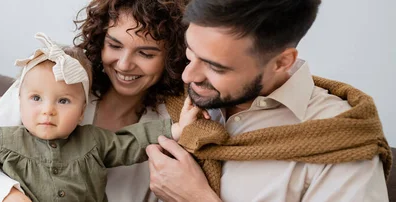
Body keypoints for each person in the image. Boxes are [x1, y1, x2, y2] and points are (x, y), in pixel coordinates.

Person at [0, 33, 202, 202]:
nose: (47, 109)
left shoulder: (94, 140)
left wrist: (176, 128)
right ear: (20, 99)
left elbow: (133, 141)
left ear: (83, 106)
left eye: (62, 101)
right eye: (35, 99)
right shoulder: (3, 139)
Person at [0, 0, 191, 202]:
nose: (124, 64)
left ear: (173, 56)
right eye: (114, 45)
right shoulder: (52, 81)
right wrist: (6, 193)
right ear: (100, 40)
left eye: (145, 53)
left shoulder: (169, 125)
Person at [144, 0, 391, 201]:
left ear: (282, 62)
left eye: (216, 67)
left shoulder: (344, 145)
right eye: (191, 52)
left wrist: (197, 199)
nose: (188, 75)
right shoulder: (166, 92)